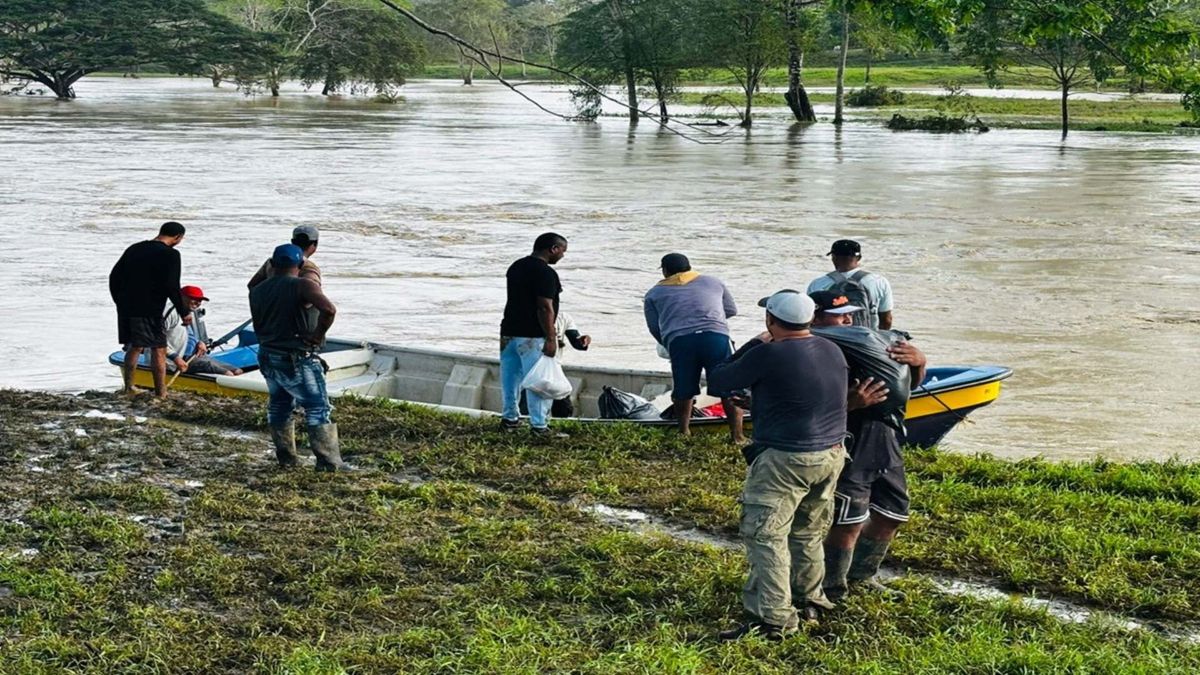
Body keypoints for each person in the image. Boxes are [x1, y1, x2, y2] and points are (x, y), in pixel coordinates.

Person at [708, 290, 850, 641]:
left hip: (786, 459)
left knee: (766, 535)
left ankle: (773, 619)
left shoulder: (769, 352)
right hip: (831, 455)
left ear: (770, 320)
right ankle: (809, 600)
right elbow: (805, 393)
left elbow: (718, 380)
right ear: (811, 319)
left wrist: (755, 343)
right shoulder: (831, 349)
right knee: (807, 532)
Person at [806, 289, 927, 603]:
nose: (848, 319)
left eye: (850, 313)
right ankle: (833, 587)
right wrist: (852, 404)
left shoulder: (866, 342)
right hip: (849, 437)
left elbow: (908, 386)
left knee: (894, 512)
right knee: (849, 517)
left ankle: (863, 576)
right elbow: (802, 406)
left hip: (885, 435)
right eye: (839, 315)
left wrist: (919, 362)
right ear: (813, 318)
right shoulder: (810, 349)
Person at [249, 244, 350, 472]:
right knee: (317, 408)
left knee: (279, 405)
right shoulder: (302, 285)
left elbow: (252, 284)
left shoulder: (258, 290)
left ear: (272, 265)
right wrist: (317, 335)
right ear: (301, 265)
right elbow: (329, 309)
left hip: (267, 354)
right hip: (296, 357)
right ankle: (329, 463)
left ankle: (287, 458)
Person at [642, 253, 744, 442]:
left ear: (665, 271)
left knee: (683, 389)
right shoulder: (713, 282)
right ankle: (737, 436)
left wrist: (669, 341)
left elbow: (654, 327)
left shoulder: (654, 293)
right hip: (716, 338)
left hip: (681, 341)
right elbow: (731, 310)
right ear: (689, 267)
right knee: (728, 387)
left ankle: (684, 432)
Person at [109, 221, 193, 398]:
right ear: (178, 238)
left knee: (135, 346)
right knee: (158, 348)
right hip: (150, 308)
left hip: (127, 307)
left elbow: (114, 276)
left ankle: (128, 388)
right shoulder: (171, 255)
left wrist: (120, 302)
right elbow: (172, 286)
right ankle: (161, 393)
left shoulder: (135, 248)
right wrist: (184, 311)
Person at [499, 233, 568, 436]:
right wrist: (551, 337)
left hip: (509, 332)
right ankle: (539, 426)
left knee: (510, 380)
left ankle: (509, 419)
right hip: (533, 335)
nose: (563, 256)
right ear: (553, 248)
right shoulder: (546, 273)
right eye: (562, 251)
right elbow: (545, 307)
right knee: (539, 382)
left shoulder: (516, 266)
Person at [807, 239, 894, 330]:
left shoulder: (817, 283)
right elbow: (887, 319)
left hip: (830, 338)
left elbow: (809, 318)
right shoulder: (879, 282)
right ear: (859, 258)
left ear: (834, 257)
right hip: (866, 339)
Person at [161, 286, 243, 376]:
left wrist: (199, 342)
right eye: (194, 299)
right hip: (173, 361)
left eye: (200, 300)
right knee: (228, 374)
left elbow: (187, 335)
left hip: (192, 356)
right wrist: (176, 358)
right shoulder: (169, 313)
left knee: (237, 371)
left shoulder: (187, 313)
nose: (198, 303)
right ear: (182, 297)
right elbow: (157, 340)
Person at [248, 225, 322, 289]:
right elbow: (313, 291)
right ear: (315, 244)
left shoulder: (272, 261)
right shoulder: (309, 266)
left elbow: (252, 285)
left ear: (292, 242)